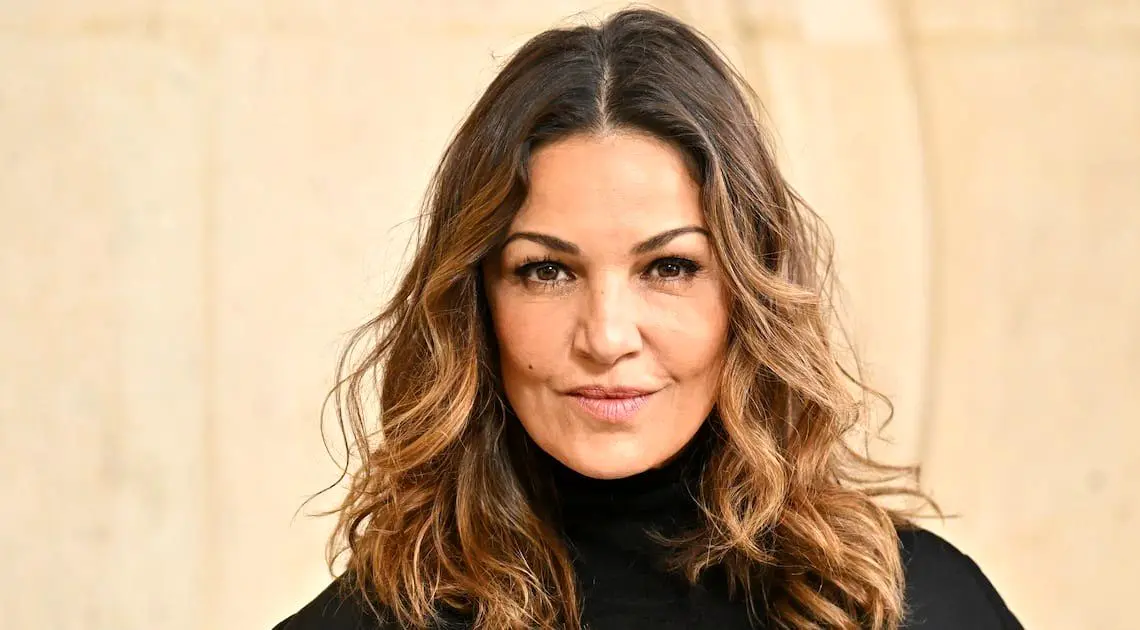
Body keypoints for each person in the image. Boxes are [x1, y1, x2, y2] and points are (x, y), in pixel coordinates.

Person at [274, 8, 1022, 630]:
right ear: (477, 301)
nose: (606, 337)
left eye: (669, 268)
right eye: (546, 270)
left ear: (748, 294)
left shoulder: (914, 606)